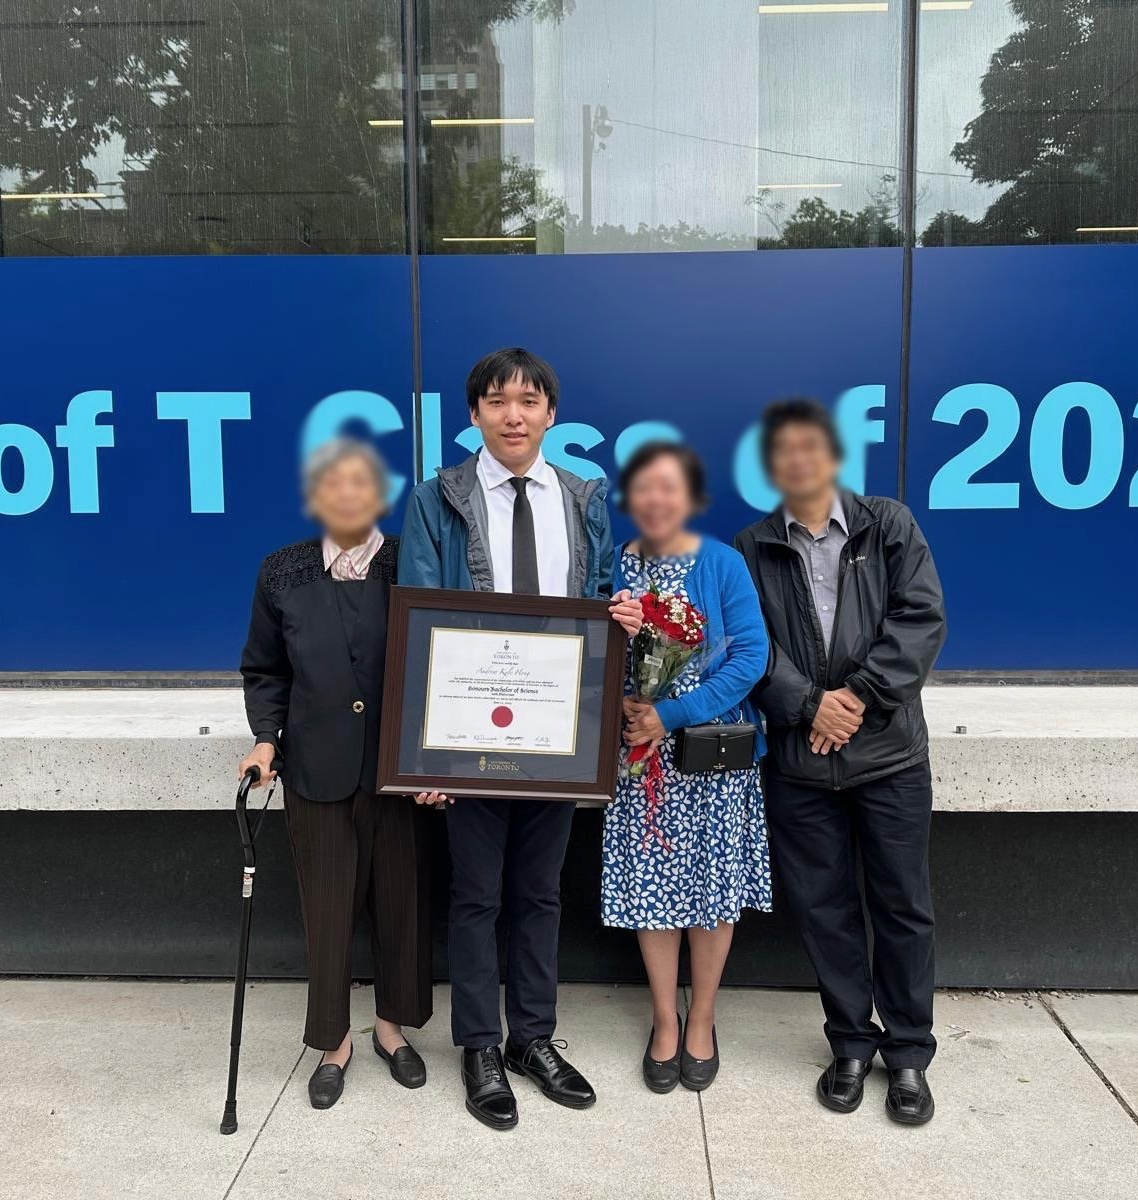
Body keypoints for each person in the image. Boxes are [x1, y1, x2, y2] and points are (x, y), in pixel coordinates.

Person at [398, 347, 643, 1131]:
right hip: (469, 731)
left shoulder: (584, 498)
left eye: (529, 401)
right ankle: (477, 1045)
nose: (514, 414)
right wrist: (421, 754)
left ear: (550, 415)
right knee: (475, 895)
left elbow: (600, 602)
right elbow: (417, 615)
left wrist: (623, 622)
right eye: (498, 401)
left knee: (538, 893)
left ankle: (531, 1038)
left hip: (557, 732)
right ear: (473, 415)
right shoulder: (438, 499)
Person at [733, 398, 947, 1126]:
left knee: (901, 904)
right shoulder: (751, 547)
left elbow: (919, 620)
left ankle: (911, 1052)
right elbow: (751, 648)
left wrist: (852, 698)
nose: (798, 459)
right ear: (771, 465)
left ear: (833, 455)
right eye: (783, 449)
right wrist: (807, 705)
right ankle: (852, 1042)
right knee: (824, 910)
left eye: (810, 446)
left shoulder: (887, 525)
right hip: (800, 763)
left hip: (887, 756)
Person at [238, 438, 431, 1112]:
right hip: (316, 767)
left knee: (402, 903)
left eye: (361, 483)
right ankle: (332, 1041)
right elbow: (265, 669)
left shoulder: (413, 562)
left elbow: (442, 661)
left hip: (397, 769)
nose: (347, 494)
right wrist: (266, 741)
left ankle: (392, 1027)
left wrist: (440, 759)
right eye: (332, 484)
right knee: (326, 909)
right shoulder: (281, 572)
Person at [601, 442, 771, 1095]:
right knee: (652, 893)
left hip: (711, 768)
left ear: (692, 499)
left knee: (709, 894)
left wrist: (669, 714)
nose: (655, 500)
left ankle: (701, 1020)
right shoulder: (616, 566)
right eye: (644, 488)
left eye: (669, 488)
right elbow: (592, 653)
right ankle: (663, 1021)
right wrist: (622, 680)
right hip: (640, 768)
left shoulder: (722, 564)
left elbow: (749, 658)